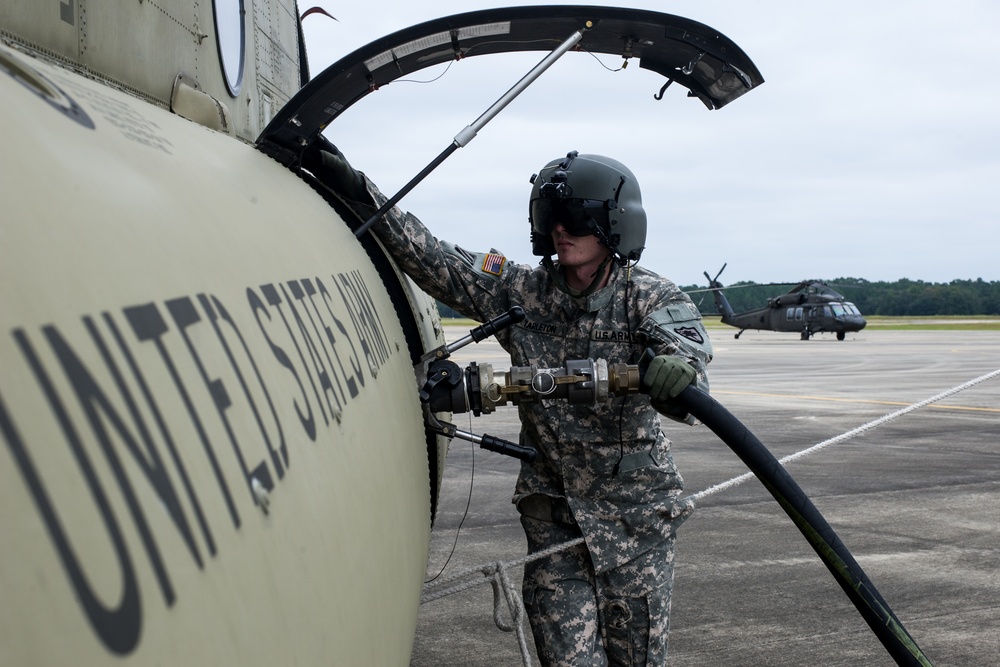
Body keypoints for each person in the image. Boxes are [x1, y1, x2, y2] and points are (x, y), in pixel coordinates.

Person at [307, 145, 712, 666]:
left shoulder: (649, 298)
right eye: (550, 218)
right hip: (555, 522)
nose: (559, 230)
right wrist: (355, 187)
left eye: (573, 218)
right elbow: (433, 256)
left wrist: (675, 368)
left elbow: (688, 357)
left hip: (634, 526)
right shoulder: (522, 289)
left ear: (613, 226)